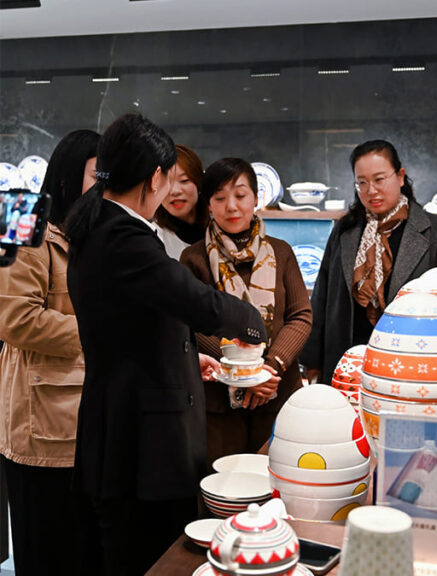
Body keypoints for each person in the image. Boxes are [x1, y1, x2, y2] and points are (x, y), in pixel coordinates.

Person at [64, 113, 267, 575]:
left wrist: (184, 359)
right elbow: (192, 299)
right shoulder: (122, 236)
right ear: (154, 177)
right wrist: (251, 324)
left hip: (125, 432)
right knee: (148, 560)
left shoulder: (97, 226)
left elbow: (133, 324)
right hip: (139, 446)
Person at [0, 129, 99, 575]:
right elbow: (16, 319)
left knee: (85, 551)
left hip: (89, 424)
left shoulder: (94, 234)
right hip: (39, 428)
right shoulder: (24, 223)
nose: (107, 187)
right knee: (47, 551)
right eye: (98, 175)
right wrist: (104, 332)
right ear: (65, 178)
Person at [180, 158, 312, 466]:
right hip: (219, 405)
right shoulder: (193, 258)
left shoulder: (281, 252)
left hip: (276, 392)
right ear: (208, 205)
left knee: (276, 486)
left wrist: (267, 369)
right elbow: (190, 326)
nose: (231, 206)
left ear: (256, 198)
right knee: (222, 487)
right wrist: (241, 373)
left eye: (240, 195)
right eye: (220, 197)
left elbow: (301, 316)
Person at [301, 140, 437, 381]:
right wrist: (313, 363)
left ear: (400, 176)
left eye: (379, 179)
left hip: (410, 362)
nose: (370, 190)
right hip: (347, 363)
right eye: (362, 182)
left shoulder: (433, 230)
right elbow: (321, 298)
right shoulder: (346, 229)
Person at [155, 144, 208, 260]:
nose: (174, 191)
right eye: (165, 183)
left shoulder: (221, 224)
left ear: (198, 182)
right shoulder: (154, 236)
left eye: (184, 180)